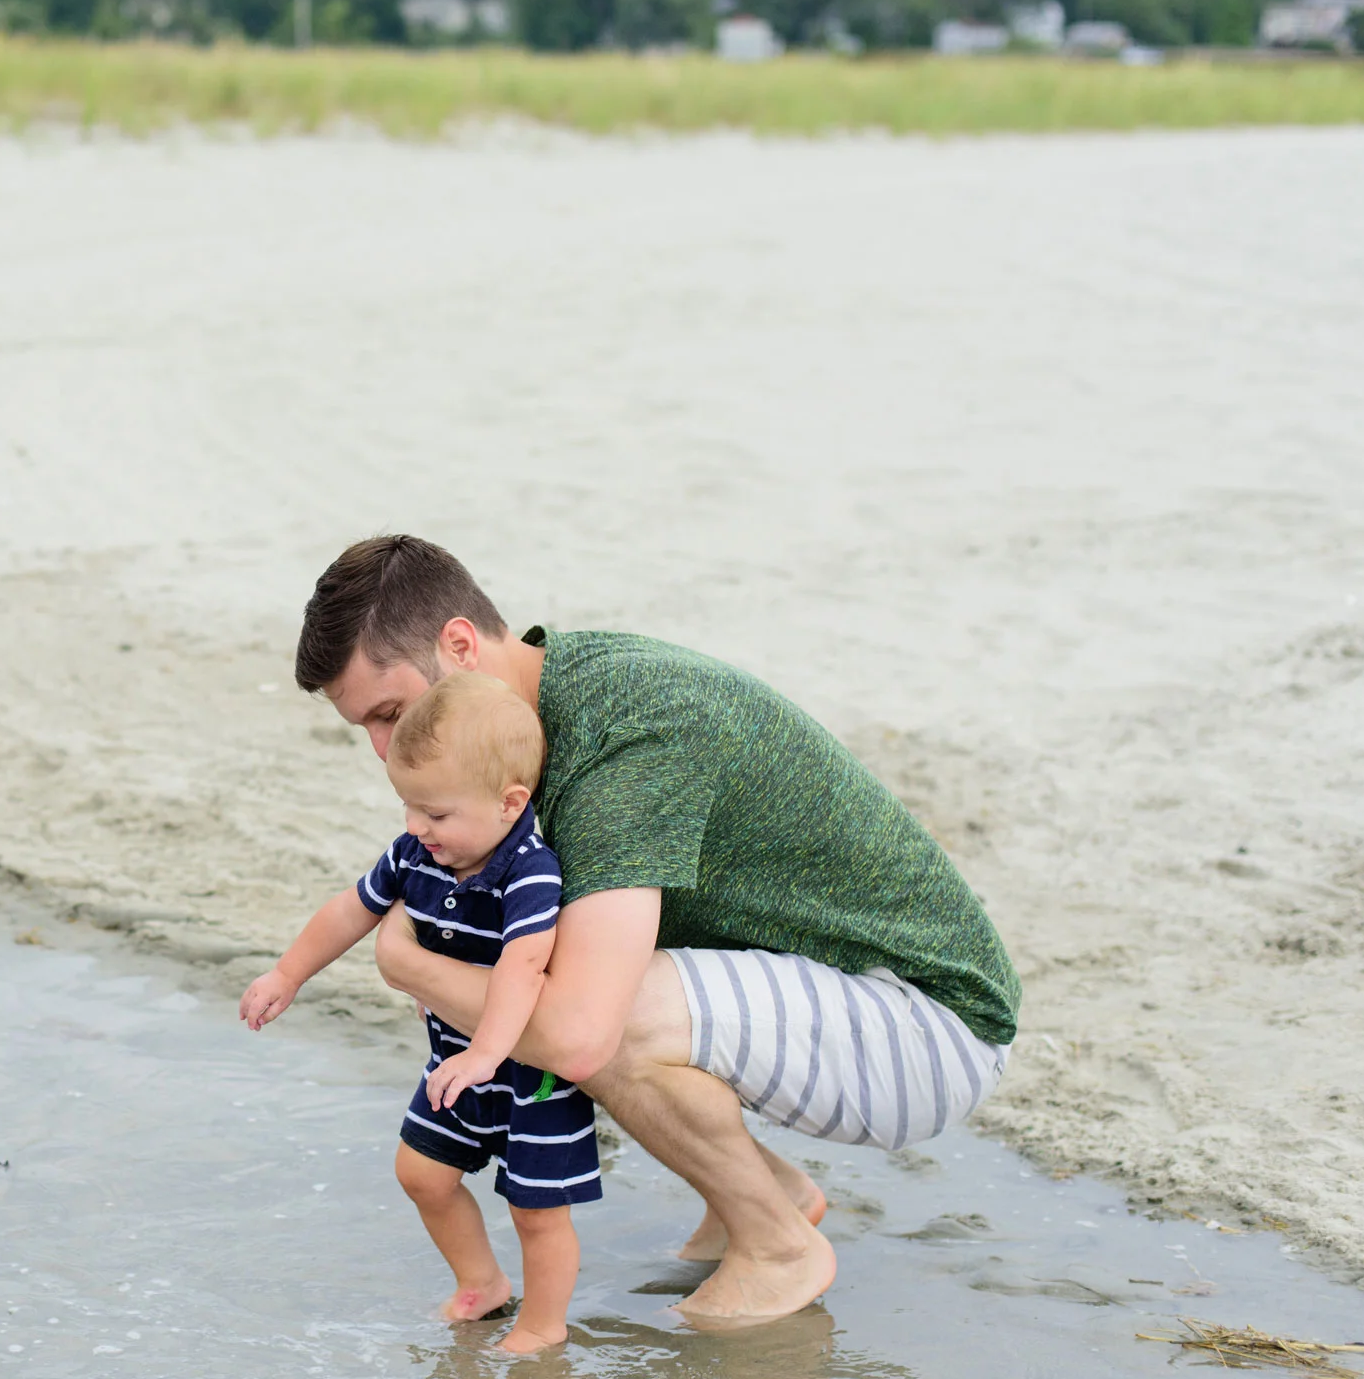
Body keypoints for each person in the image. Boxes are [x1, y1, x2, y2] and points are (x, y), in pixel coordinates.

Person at [293, 536, 1021, 1327]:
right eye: (363, 726)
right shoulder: (527, 720)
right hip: (828, 995)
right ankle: (768, 1189)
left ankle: (778, 1245)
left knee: (593, 1012)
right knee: (521, 964)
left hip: (927, 1028)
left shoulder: (624, 735)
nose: (383, 749)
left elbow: (576, 1039)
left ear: (460, 646)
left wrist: (405, 963)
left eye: (390, 713)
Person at [241, 671, 602, 1353]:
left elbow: (524, 968)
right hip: (453, 1062)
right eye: (408, 807)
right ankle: (482, 1283)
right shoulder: (416, 854)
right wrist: (287, 973)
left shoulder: (530, 870)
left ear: (508, 803)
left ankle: (542, 1325)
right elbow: (352, 908)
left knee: (536, 1210)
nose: (416, 828)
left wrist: (488, 1054)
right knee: (421, 1173)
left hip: (528, 1074)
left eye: (435, 814)